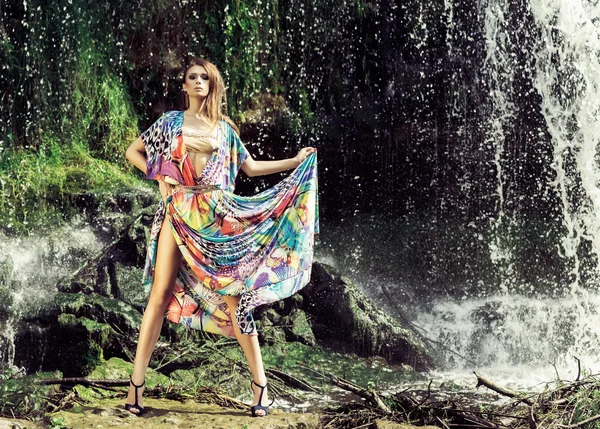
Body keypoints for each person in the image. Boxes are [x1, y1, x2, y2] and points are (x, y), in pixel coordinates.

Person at [123, 58, 319, 418]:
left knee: (235, 299)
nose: (198, 82)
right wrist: (162, 180)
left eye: (204, 78)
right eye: (192, 77)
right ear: (184, 86)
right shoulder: (170, 123)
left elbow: (250, 167)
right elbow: (133, 152)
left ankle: (260, 387)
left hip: (216, 216)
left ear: (212, 85)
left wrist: (293, 161)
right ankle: (135, 386)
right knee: (159, 294)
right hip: (178, 211)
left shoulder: (224, 129)